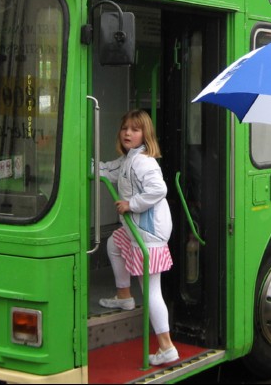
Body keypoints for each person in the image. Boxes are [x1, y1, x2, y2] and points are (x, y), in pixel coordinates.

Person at [97, 109, 179, 366]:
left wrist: (131, 204)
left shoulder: (143, 161)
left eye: (135, 129)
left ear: (145, 134)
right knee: (114, 243)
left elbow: (159, 189)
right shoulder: (128, 160)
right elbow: (105, 169)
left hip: (149, 233)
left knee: (151, 290)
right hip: (137, 231)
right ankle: (124, 296)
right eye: (125, 129)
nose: (128, 133)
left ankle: (166, 347)